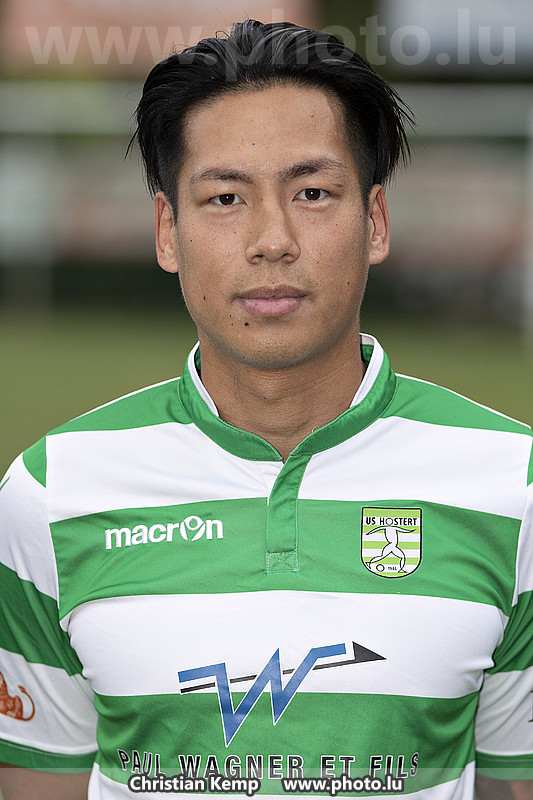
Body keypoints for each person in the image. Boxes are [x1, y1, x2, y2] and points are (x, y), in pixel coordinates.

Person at [0, 18, 531, 800]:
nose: (271, 239)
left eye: (312, 193)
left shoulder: (513, 484)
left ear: (375, 221)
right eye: (224, 198)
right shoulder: (51, 491)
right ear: (167, 231)